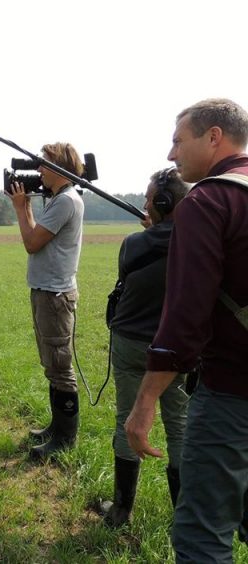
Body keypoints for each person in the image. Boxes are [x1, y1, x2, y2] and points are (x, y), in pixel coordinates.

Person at [125, 98, 248, 561]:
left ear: (213, 137)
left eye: (179, 140)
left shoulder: (208, 201)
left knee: (203, 535)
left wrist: (145, 401)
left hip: (231, 394)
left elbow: (184, 321)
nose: (172, 154)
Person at [99, 168, 190, 528]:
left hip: (131, 344)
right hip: (177, 349)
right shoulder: (197, 242)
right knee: (179, 425)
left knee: (126, 420)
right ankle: (183, 516)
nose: (145, 202)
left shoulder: (132, 243)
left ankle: (121, 511)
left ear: (160, 203)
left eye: (150, 197)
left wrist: (151, 230)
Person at [8, 142, 85, 461]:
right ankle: (57, 427)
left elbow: (31, 242)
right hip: (47, 291)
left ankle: (65, 439)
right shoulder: (62, 199)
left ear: (60, 167)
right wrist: (26, 205)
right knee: (52, 365)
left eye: (43, 163)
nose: (38, 169)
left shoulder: (66, 201)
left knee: (60, 367)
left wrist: (20, 207)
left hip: (54, 296)